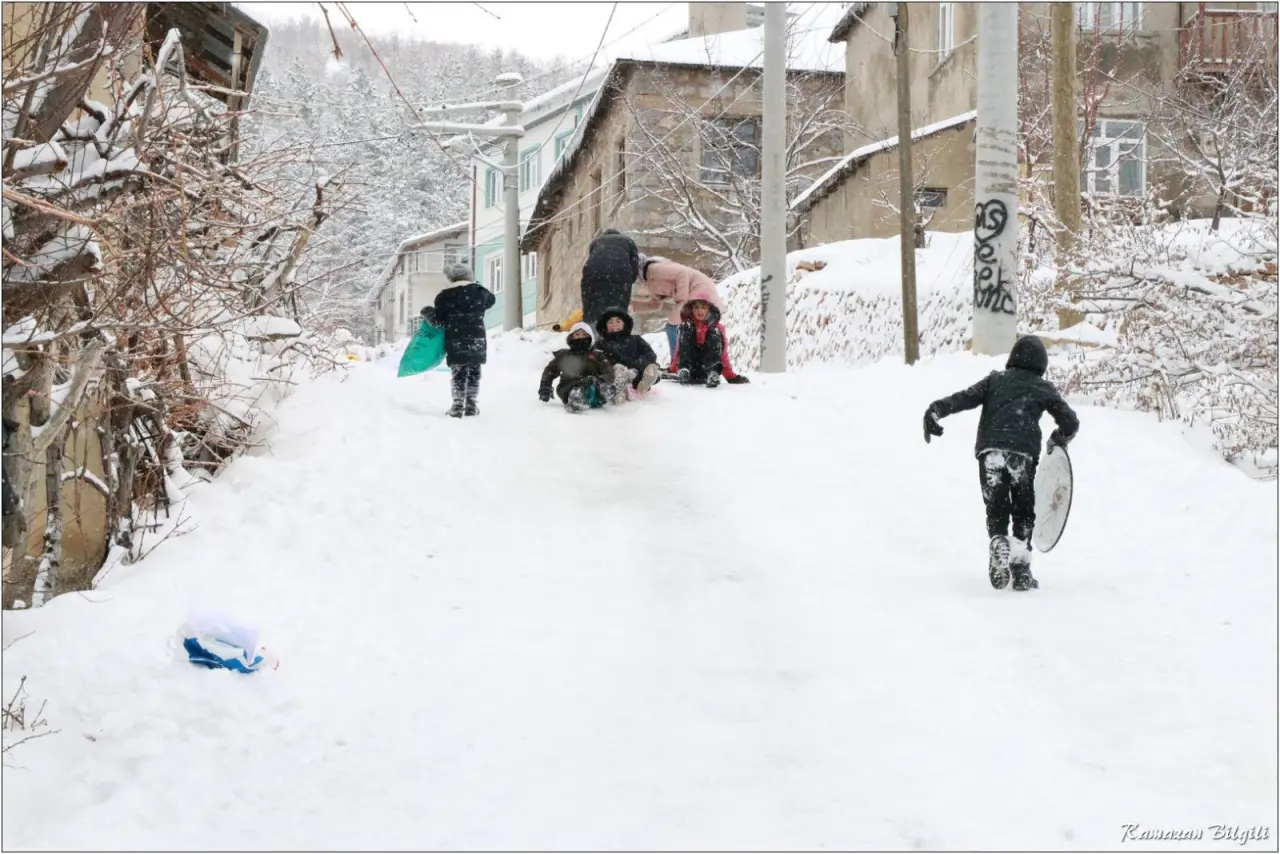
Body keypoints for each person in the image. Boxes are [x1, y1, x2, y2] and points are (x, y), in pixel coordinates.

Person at [923, 335, 1080, 592]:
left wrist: (935, 410)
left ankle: (998, 540)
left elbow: (964, 397)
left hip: (990, 453)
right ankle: (1020, 569)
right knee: (1023, 511)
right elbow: (1071, 423)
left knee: (996, 507)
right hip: (1022, 455)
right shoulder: (1042, 388)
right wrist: (1057, 440)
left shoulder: (995, 380)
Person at [430, 263, 496, 418]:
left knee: (459, 372)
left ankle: (458, 405)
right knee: (474, 372)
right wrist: (476, 287)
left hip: (456, 339)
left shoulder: (444, 295)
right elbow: (491, 300)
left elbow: (438, 320)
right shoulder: (481, 293)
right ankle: (471, 404)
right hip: (477, 339)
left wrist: (427, 312)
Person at [635, 255, 722, 361]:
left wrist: (681, 298)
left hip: (700, 288)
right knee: (682, 328)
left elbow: (682, 273)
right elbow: (655, 304)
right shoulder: (648, 282)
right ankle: (686, 362)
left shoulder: (653, 268)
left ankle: (677, 363)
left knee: (673, 326)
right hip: (691, 294)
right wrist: (631, 305)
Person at [538, 323, 616, 413]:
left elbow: (609, 372)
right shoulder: (565, 355)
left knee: (601, 386)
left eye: (584, 334)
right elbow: (550, 370)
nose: (580, 337)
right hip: (568, 387)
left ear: (590, 337)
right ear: (571, 337)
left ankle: (604, 393)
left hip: (592, 386)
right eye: (577, 334)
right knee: (577, 389)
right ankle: (576, 400)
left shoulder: (597, 355)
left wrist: (600, 381)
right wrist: (545, 386)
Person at [673, 297, 748, 388]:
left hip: (706, 370)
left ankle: (713, 373)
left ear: (709, 310)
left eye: (703, 307)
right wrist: (672, 369)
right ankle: (685, 370)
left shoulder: (718, 328)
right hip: (689, 368)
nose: (699, 311)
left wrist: (731, 377)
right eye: (696, 307)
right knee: (686, 326)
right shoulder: (687, 327)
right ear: (691, 310)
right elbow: (679, 349)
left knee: (715, 331)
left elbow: (723, 354)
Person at [593, 308, 661, 404]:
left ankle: (644, 382)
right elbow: (597, 359)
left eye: (618, 321)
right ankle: (618, 392)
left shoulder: (635, 339)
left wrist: (636, 365)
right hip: (614, 374)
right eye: (610, 322)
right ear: (605, 325)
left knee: (650, 366)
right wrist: (613, 365)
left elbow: (649, 354)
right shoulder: (601, 343)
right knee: (618, 370)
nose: (614, 325)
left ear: (624, 324)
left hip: (636, 372)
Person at [580, 228, 640, 328]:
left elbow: (591, 258)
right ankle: (615, 331)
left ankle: (591, 331)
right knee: (618, 304)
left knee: (592, 304)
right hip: (620, 272)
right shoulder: (628, 241)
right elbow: (634, 263)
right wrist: (629, 280)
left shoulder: (595, 242)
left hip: (592, 274)